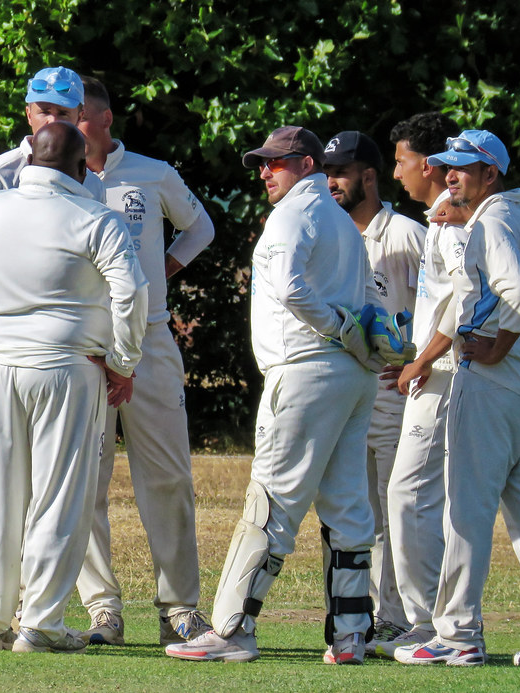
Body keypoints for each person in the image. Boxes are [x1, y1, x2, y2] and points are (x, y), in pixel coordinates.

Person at [165, 126, 384, 664]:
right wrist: (348, 333)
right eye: (261, 164)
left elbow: (288, 287)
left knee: (271, 499)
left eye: (276, 164)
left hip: (306, 368)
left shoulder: (295, 212)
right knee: (348, 503)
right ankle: (352, 634)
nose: (265, 173)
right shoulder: (343, 221)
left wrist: (334, 327)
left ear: (306, 165)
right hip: (351, 376)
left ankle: (233, 629)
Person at [0, 122, 148, 653]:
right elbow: (133, 293)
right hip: (69, 366)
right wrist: (123, 360)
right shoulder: (97, 218)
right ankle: (40, 623)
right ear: (79, 168)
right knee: (58, 498)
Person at [394, 130, 520, 668]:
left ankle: (457, 636)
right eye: (447, 167)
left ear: (490, 174)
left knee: (465, 513)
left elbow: (516, 295)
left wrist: (496, 346)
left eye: (461, 168)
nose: (449, 176)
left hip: (491, 386)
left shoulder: (492, 220)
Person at [74, 75, 215, 647]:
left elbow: (200, 227)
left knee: (167, 474)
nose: (64, 124)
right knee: (86, 476)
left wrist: (162, 275)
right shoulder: (56, 179)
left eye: (77, 114)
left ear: (105, 120)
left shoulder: (151, 172)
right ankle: (101, 609)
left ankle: (179, 607)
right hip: (85, 343)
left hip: (151, 339)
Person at [322, 130, 424, 654]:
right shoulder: (328, 233)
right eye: (326, 172)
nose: (331, 181)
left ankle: (396, 618)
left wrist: (417, 361)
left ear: (368, 175)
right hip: (341, 394)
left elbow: (443, 301)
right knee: (345, 509)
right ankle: (350, 619)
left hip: (394, 396)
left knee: (391, 511)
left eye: (340, 172)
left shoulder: (406, 234)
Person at [374, 112, 465, 658]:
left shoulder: (447, 220)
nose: (397, 172)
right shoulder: (438, 218)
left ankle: (433, 624)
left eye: (402, 161)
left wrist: (422, 360)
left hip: (445, 373)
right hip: (438, 369)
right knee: (427, 498)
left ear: (428, 164)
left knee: (410, 495)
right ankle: (434, 621)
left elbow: (461, 298)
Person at [0, 65, 104, 208]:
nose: (52, 121)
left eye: (63, 113)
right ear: (29, 115)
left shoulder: (92, 185)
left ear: (79, 117)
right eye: (44, 112)